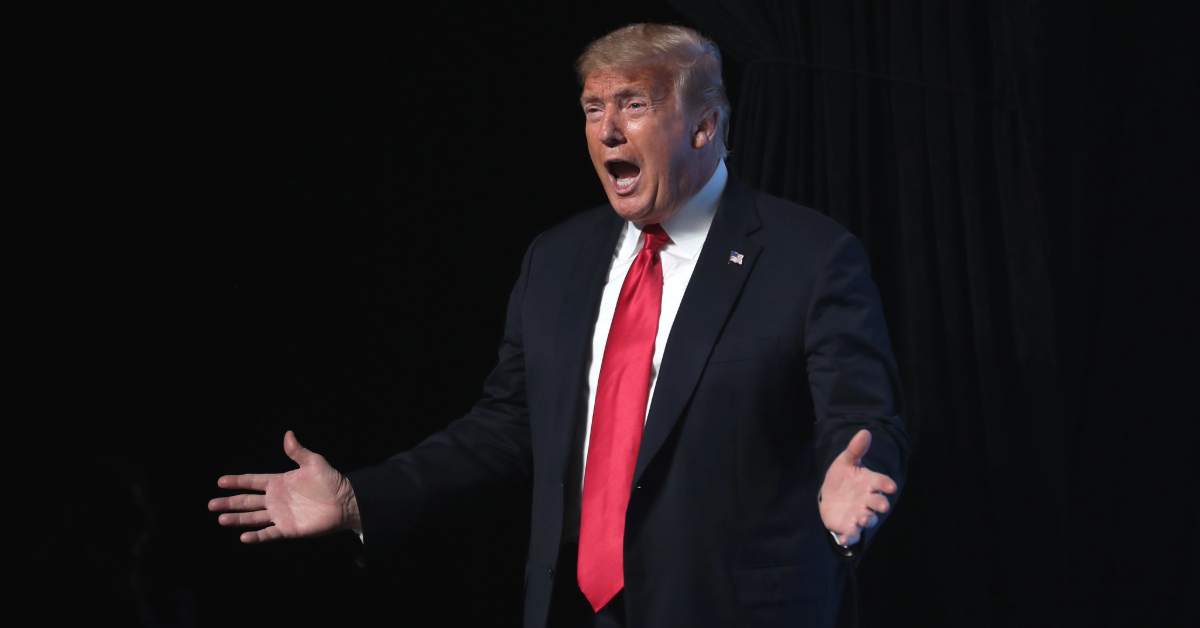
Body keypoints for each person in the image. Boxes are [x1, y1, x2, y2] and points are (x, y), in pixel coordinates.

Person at [209, 23, 909, 628]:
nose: (607, 130)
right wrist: (364, 496)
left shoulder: (810, 256)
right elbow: (505, 427)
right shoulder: (558, 258)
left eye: (635, 104)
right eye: (593, 107)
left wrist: (854, 480)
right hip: (574, 611)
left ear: (704, 125)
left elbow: (857, 416)